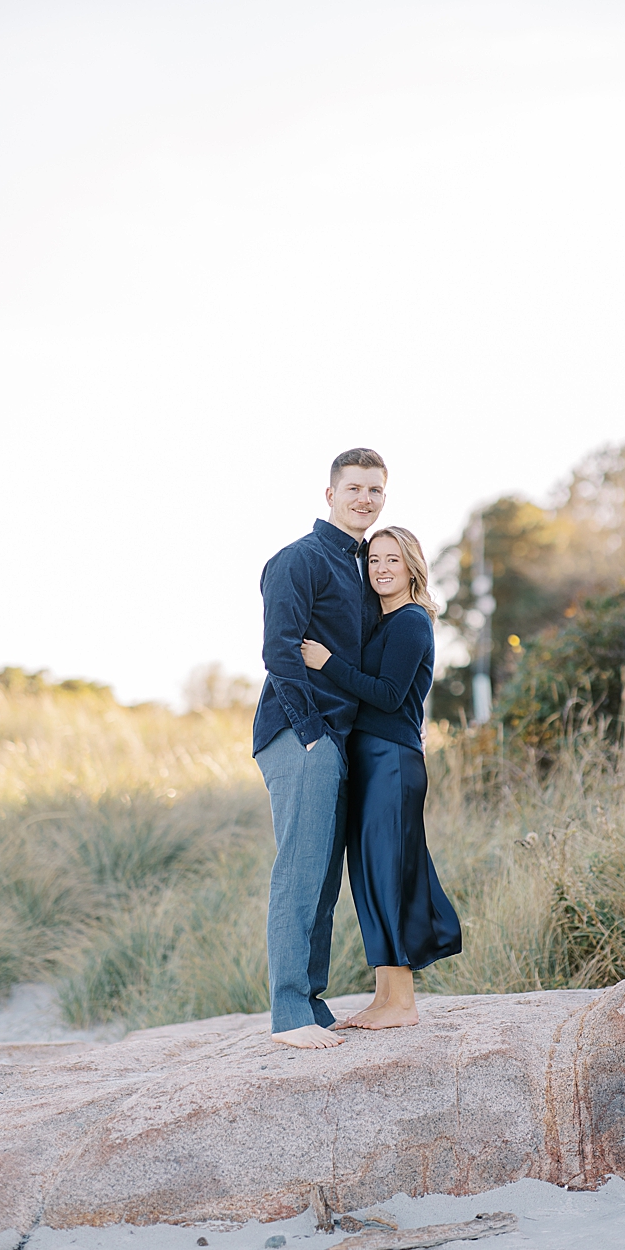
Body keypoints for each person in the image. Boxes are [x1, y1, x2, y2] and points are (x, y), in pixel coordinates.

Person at [253, 449, 387, 1050]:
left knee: (325, 878)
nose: (365, 499)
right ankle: (289, 1017)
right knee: (300, 873)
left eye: (375, 490)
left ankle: (311, 1001)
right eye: (354, 488)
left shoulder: (364, 568)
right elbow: (280, 650)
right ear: (329, 494)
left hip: (340, 738)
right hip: (300, 733)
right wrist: (310, 732)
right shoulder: (297, 560)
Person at [301, 526, 460, 1029]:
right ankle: (384, 997)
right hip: (369, 760)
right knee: (369, 878)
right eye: (373, 561)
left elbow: (389, 694)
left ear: (412, 566)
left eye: (393, 560)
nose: (382, 568)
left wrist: (327, 663)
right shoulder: (380, 623)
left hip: (393, 759)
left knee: (390, 875)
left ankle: (404, 1004)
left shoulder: (412, 622)